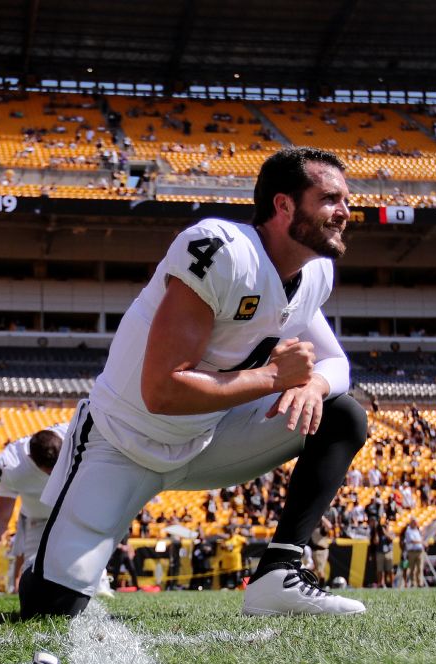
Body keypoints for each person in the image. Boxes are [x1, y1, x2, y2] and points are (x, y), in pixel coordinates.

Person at [21, 147, 367, 619]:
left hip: (209, 438)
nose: (345, 212)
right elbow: (163, 391)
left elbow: (336, 364)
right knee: (51, 608)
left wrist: (312, 387)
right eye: (330, 199)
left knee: (342, 413)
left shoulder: (314, 273)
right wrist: (271, 377)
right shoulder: (221, 249)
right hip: (123, 442)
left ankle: (278, 573)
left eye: (345, 200)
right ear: (285, 205)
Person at [0, 426, 65, 591]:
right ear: (31, 460)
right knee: (35, 586)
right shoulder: (11, 464)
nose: (55, 475)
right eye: (50, 472)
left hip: (72, 513)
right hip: (38, 519)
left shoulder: (72, 431)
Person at [402, 520, 426, 588]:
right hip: (411, 552)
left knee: (420, 568)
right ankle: (412, 583)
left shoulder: (417, 530)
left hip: (419, 551)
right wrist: (422, 542)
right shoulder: (408, 531)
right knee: (411, 568)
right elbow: (412, 540)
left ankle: (420, 583)